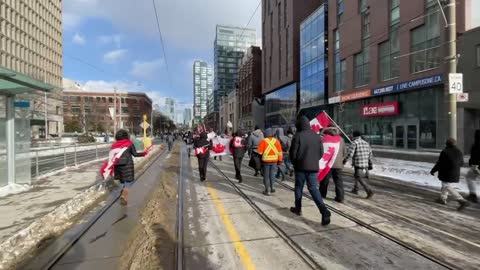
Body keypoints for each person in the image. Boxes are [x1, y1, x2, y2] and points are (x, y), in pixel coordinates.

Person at [289, 116, 331, 226]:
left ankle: (298, 208)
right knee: (314, 189)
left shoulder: (297, 136)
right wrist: (313, 161)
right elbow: (321, 153)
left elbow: (292, 154)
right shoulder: (317, 136)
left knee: (298, 188)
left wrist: (296, 163)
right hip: (313, 168)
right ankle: (324, 211)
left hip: (300, 168)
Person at [431, 138, 470, 210]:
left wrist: (433, 170)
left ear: (446, 144)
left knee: (446, 185)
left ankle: (461, 200)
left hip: (446, 172)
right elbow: (461, 163)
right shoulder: (459, 151)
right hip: (455, 172)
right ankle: (442, 198)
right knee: (445, 184)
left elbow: (440, 163)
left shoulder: (445, 151)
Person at [113, 129, 149, 205]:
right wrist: (144, 153)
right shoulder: (129, 143)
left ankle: (124, 198)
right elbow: (135, 154)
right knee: (128, 183)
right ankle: (123, 195)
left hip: (118, 166)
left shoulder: (114, 145)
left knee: (122, 182)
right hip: (127, 166)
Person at [343, 130, 374, 199]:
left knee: (359, 177)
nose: (350, 135)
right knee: (356, 176)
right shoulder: (366, 143)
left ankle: (369, 190)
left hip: (358, 163)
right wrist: (370, 163)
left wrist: (344, 160)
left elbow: (350, 154)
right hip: (365, 163)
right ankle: (355, 189)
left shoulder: (354, 143)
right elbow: (370, 154)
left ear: (354, 135)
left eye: (351, 134)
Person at [319, 127, 346, 203]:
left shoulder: (324, 139)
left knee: (324, 180)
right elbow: (345, 152)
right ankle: (340, 197)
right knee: (338, 181)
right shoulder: (341, 139)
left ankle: (322, 194)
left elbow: (320, 150)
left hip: (327, 164)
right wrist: (342, 161)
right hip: (338, 164)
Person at [257, 128, 283, 195]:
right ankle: (272, 188)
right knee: (272, 175)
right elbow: (280, 152)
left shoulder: (263, 141)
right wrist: (279, 161)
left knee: (266, 175)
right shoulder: (276, 141)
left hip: (266, 161)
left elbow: (259, 152)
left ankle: (267, 190)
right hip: (274, 161)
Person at [466, 130, 480, 203]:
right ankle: (472, 194)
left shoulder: (475, 145)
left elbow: (474, 156)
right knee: (471, 177)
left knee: (470, 177)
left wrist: (472, 163)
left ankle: (473, 195)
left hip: (476, 166)